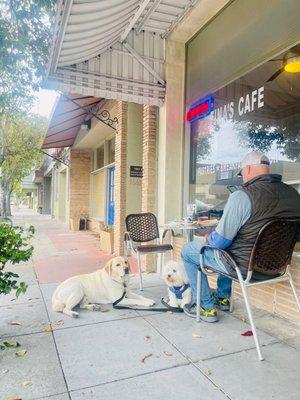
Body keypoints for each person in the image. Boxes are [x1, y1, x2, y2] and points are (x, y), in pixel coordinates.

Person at [181, 150, 300, 322]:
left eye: (242, 172)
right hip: (278, 267)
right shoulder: (293, 194)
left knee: (188, 250)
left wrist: (209, 237)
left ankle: (206, 307)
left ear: (249, 169)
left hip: (243, 268)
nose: (242, 177)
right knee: (231, 246)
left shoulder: (242, 195)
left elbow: (219, 243)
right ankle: (222, 298)